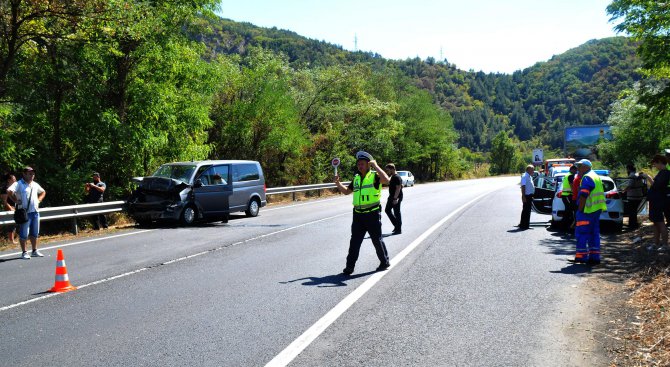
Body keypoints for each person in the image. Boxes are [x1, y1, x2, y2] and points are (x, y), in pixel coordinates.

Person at [335, 151, 391, 275]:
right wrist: (338, 183)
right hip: (358, 215)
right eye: (358, 164)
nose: (360, 166)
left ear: (368, 165)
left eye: (362, 164)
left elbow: (386, 180)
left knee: (376, 240)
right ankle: (349, 267)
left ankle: (384, 262)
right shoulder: (356, 178)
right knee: (354, 242)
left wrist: (376, 166)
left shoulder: (375, 176)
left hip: (372, 214)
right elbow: (346, 192)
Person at [572, 159, 607, 265]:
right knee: (594, 234)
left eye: (580, 166)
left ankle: (581, 257)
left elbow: (583, 195)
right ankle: (594, 257)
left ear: (586, 167)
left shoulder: (587, 178)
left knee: (582, 233)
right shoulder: (596, 176)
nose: (578, 169)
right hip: (596, 210)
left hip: (587, 211)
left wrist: (580, 210)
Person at [7, 167, 46, 260]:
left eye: (33, 173)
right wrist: (15, 200)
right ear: (24, 174)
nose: (32, 175)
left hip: (35, 212)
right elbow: (9, 191)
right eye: (29, 173)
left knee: (35, 233)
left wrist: (39, 200)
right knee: (24, 233)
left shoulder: (35, 184)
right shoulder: (18, 184)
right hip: (25, 213)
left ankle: (34, 250)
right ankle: (24, 252)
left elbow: (43, 191)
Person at [641, 155, 669, 250]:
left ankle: (665, 245)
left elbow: (657, 186)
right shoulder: (661, 173)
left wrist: (648, 177)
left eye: (655, 163)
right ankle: (655, 243)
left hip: (659, 201)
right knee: (655, 223)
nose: (655, 166)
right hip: (654, 201)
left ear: (660, 162)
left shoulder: (665, 173)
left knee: (660, 223)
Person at [624, 164, 645, 229]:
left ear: (628, 169)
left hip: (632, 196)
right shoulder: (637, 174)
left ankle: (632, 225)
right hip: (639, 195)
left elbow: (630, 185)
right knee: (634, 211)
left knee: (632, 211)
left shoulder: (632, 175)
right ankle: (634, 224)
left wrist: (624, 191)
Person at [384, 163, 403, 235]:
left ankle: (398, 229)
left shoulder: (396, 177)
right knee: (387, 210)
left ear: (392, 169)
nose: (387, 171)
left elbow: (398, 188)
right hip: (392, 196)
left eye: (388, 170)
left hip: (396, 197)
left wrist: (395, 198)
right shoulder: (393, 176)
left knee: (397, 213)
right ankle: (396, 225)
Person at [1, 173, 17, 244]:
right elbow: (4, 201)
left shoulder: (14, 188)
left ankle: (11, 240)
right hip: (8, 208)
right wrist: (10, 208)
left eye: (15, 179)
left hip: (15, 207)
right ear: (9, 180)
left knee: (13, 224)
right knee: (6, 224)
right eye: (13, 179)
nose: (15, 180)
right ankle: (11, 240)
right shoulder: (5, 189)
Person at [517, 165, 535, 230]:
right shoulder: (525, 176)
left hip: (529, 196)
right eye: (532, 169)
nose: (533, 171)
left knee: (527, 211)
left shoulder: (529, 176)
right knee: (526, 211)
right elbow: (523, 186)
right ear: (528, 170)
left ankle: (524, 224)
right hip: (526, 196)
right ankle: (524, 225)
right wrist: (523, 196)